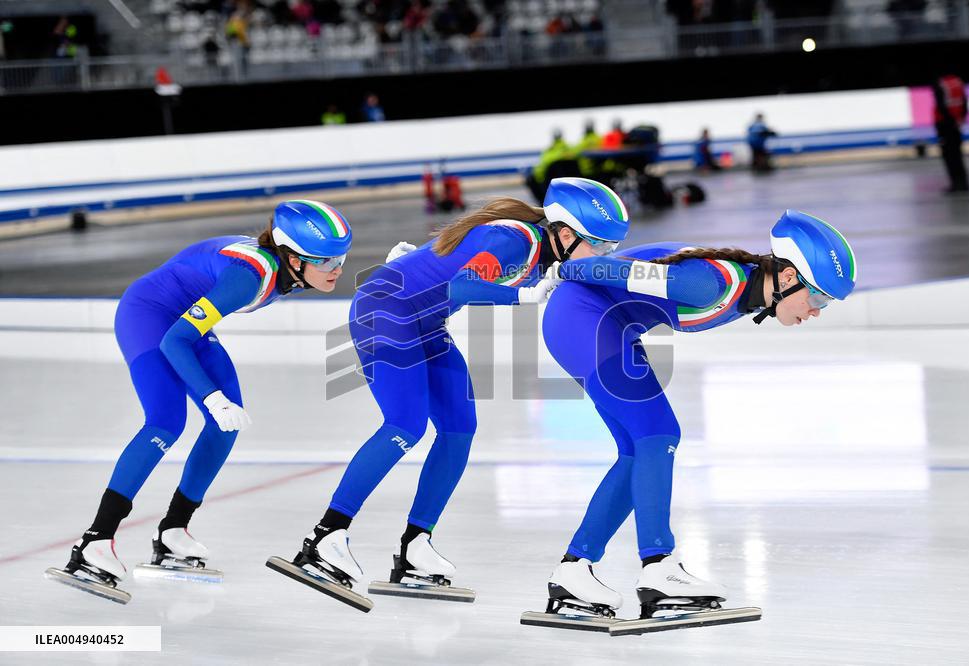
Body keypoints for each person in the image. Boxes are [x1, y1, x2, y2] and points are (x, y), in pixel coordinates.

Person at [268, 178, 631, 611]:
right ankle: (325, 537)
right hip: (387, 311)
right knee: (405, 425)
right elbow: (463, 286)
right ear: (567, 235)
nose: (603, 255)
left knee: (459, 428)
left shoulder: (538, 246)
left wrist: (417, 263)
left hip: (424, 321)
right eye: (601, 246)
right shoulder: (516, 239)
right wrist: (524, 294)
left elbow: (455, 259)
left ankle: (415, 545)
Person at [530, 210, 857, 632]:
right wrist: (560, 270)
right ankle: (658, 567)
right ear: (790, 278)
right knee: (658, 433)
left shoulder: (744, 290)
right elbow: (603, 267)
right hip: (584, 320)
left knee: (637, 449)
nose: (817, 311)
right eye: (819, 299)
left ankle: (575, 571)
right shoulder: (710, 283)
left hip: (602, 326)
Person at [45, 201, 354, 604]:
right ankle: (95, 542)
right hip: (150, 316)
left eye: (342, 257)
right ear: (293, 258)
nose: (338, 268)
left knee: (226, 424)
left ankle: (174, 531)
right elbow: (174, 340)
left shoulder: (282, 270)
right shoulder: (249, 278)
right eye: (327, 259)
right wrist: (210, 396)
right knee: (165, 422)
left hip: (188, 321)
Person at [933, 73, 969, 194]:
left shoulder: (940, 83)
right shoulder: (958, 81)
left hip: (945, 124)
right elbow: (965, 101)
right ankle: (964, 183)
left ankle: (956, 183)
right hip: (956, 123)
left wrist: (950, 121)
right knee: (958, 155)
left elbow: (941, 105)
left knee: (949, 156)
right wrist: (961, 119)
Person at [526, 129, 578, 203]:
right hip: (572, 181)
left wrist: (538, 177)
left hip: (551, 182)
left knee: (531, 179)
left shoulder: (549, 151)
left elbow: (541, 168)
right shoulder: (571, 148)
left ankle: (543, 203)